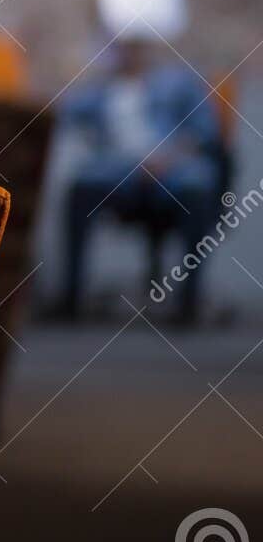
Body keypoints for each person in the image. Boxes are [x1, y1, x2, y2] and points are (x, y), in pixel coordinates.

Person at [57, 34, 224, 325]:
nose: (129, 52)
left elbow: (204, 131)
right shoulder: (100, 90)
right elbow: (63, 111)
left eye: (136, 44)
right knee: (79, 189)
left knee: (197, 189)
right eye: (121, 45)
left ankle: (189, 302)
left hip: (172, 169)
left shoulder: (179, 83)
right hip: (117, 173)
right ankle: (71, 297)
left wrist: (167, 159)